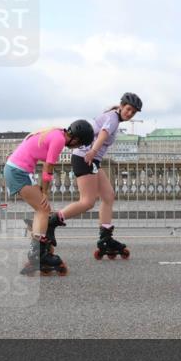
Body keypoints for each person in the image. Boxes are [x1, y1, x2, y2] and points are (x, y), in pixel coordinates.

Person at [46, 92, 143, 259]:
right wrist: (92, 151)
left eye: (133, 112)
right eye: (128, 109)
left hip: (92, 160)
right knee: (87, 202)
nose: (130, 114)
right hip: (86, 158)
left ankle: (106, 238)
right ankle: (51, 222)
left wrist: (94, 154)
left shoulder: (112, 114)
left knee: (108, 195)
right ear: (122, 106)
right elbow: (104, 134)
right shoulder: (112, 119)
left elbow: (102, 128)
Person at [4, 120, 95, 274]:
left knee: (43, 210)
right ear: (76, 139)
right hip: (18, 172)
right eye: (79, 145)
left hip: (17, 170)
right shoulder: (59, 140)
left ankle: (39, 242)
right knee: (43, 209)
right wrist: (45, 192)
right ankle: (37, 254)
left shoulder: (56, 131)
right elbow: (48, 167)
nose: (75, 148)